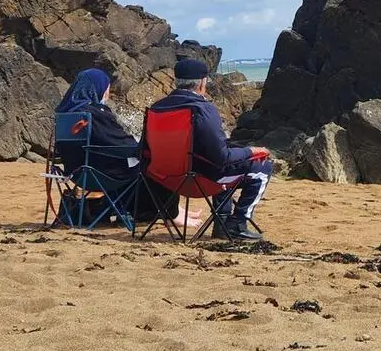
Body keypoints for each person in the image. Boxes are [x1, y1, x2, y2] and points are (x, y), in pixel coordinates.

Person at [54, 69, 201, 229]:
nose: (107, 93)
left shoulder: (65, 114)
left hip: (76, 173)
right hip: (103, 174)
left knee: (141, 163)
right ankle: (172, 214)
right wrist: (140, 146)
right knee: (157, 164)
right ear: (98, 88)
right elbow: (117, 142)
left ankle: (173, 209)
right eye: (107, 88)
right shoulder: (94, 113)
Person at [147, 58, 272, 241]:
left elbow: (145, 150)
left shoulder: (156, 109)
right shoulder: (203, 109)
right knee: (263, 167)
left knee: (222, 163)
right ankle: (236, 223)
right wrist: (250, 151)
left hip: (164, 179)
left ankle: (222, 222)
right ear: (203, 83)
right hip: (200, 180)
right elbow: (221, 157)